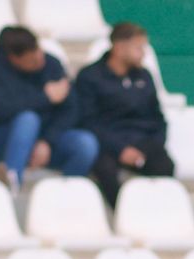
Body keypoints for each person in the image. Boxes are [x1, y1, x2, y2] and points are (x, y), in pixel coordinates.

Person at [0, 26, 99, 192]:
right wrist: (44, 98)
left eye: (39, 51)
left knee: (85, 143)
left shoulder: (52, 64)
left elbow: (71, 109)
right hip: (6, 140)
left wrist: (47, 141)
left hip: (47, 141)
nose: (39, 59)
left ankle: (66, 197)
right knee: (28, 119)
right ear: (14, 59)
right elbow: (1, 109)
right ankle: (12, 185)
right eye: (32, 60)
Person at [75, 21, 174, 208]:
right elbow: (87, 121)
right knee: (105, 168)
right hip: (108, 144)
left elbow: (157, 118)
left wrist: (153, 144)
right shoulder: (90, 77)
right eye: (138, 48)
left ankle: (158, 214)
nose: (143, 53)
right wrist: (120, 149)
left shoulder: (144, 76)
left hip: (142, 141)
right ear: (119, 48)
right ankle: (125, 215)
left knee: (164, 164)